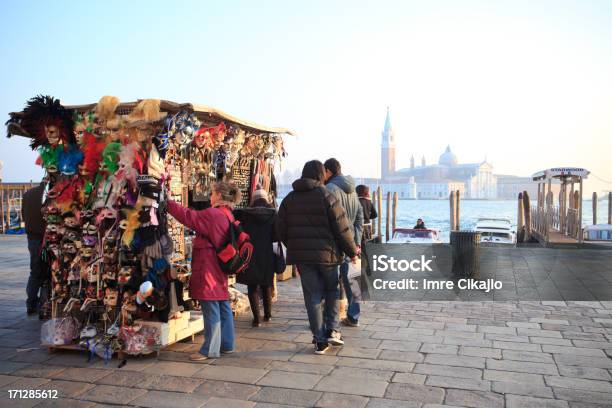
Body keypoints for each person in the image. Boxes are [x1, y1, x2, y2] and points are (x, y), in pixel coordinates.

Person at [277, 160, 358, 354]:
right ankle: (333, 330)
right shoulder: (326, 196)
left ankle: (319, 340)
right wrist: (351, 250)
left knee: (312, 297)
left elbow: (280, 230)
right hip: (328, 255)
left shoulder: (289, 199)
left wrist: (296, 246)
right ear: (321, 175)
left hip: (304, 258)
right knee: (331, 290)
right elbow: (342, 227)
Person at [166, 181, 240, 361]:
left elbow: (189, 217)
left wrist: (168, 203)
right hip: (219, 265)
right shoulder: (227, 214)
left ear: (220, 196)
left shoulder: (213, 214)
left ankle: (209, 349)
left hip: (209, 265)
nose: (210, 196)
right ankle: (227, 344)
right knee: (222, 303)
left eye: (213, 193)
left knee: (210, 305)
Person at [324, 158, 363, 328]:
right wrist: (356, 240)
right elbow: (360, 217)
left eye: (324, 172)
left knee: (332, 281)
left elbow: (328, 218)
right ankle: (353, 316)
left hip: (334, 242)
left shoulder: (329, 189)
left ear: (329, 172)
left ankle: (330, 320)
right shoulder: (353, 191)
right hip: (351, 242)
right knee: (352, 281)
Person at [234, 187, 277, 327]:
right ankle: (268, 314)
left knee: (252, 286)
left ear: (253, 200)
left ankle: (257, 319)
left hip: (250, 254)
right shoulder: (273, 214)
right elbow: (276, 236)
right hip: (267, 254)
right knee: (266, 284)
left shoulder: (245, 214)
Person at [22, 182, 45, 315]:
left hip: (32, 237)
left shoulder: (28, 194)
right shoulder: (48, 195)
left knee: (34, 270)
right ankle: (42, 304)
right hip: (44, 236)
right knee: (46, 271)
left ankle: (31, 303)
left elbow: (24, 215)